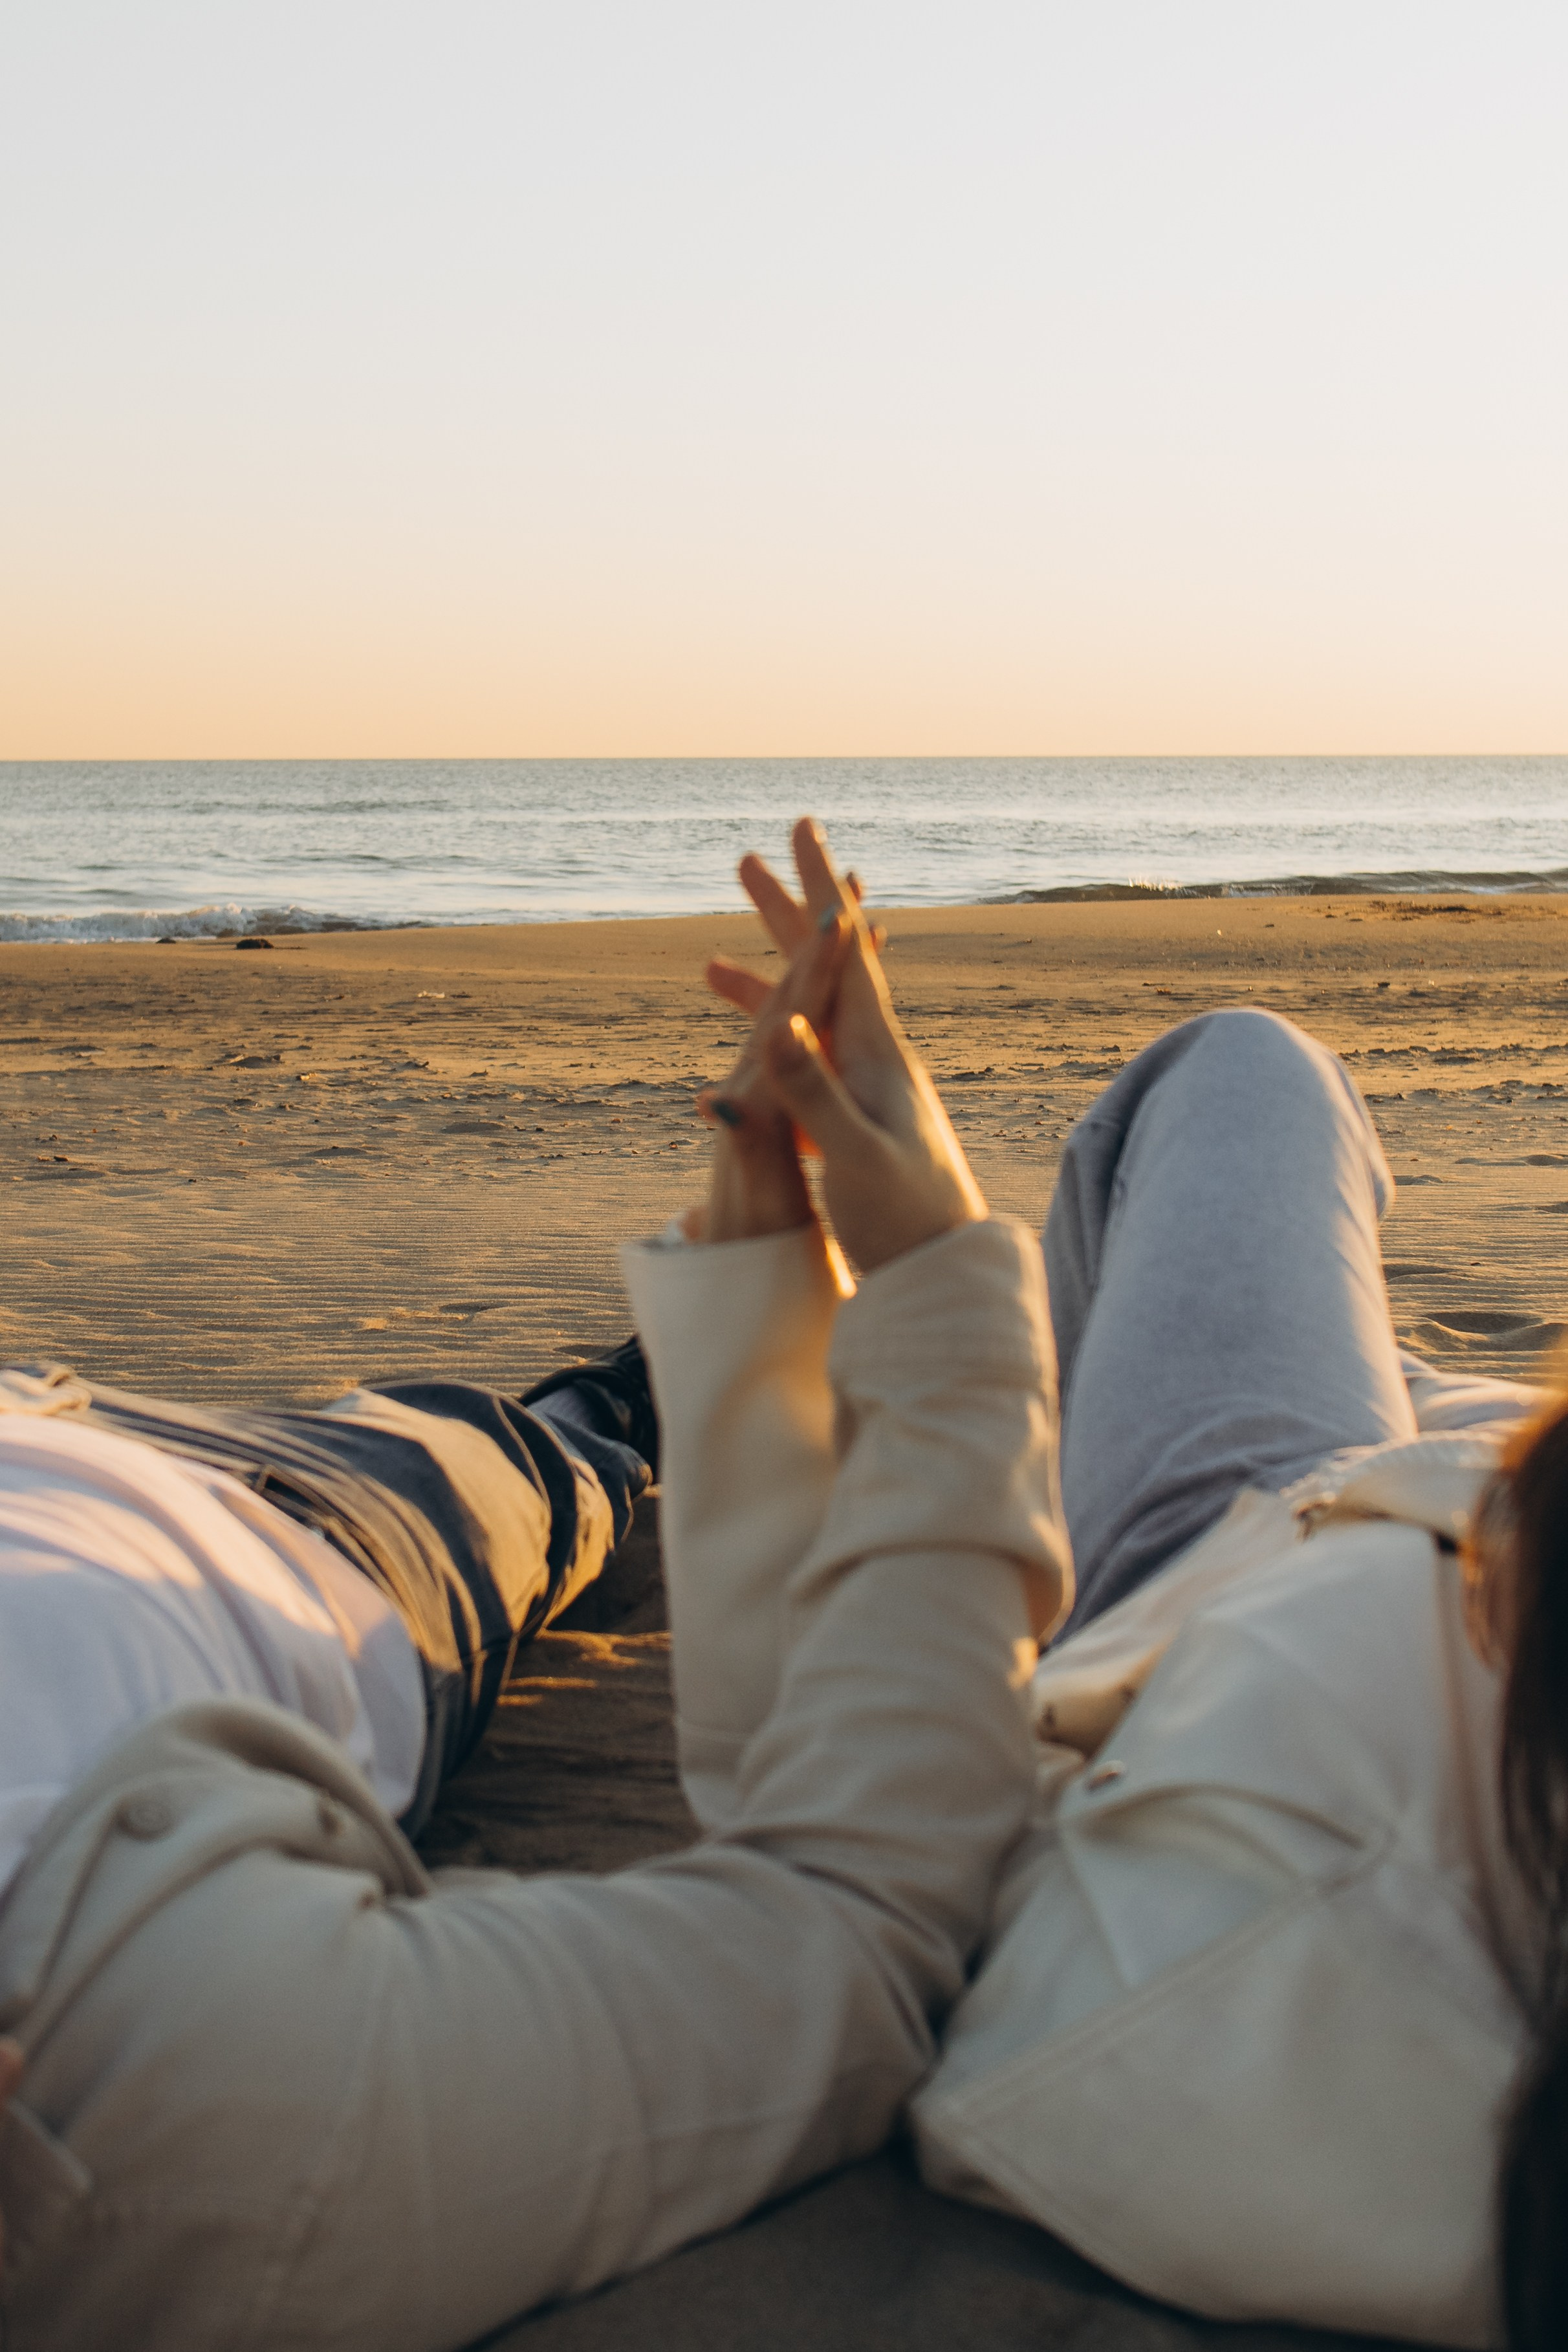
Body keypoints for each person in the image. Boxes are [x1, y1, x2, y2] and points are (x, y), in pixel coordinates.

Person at [0, 824, 1067, 2352]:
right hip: (311, 1536)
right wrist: (923, 1290)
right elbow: (853, 1917)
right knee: (526, 1456)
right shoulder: (195, 2115)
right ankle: (620, 1421)